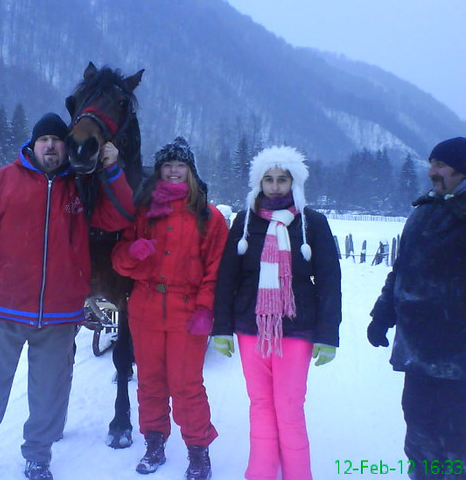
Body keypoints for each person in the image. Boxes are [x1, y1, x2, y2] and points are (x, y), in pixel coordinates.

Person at [0, 113, 134, 480]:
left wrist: (111, 169)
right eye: (43, 139)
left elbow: (120, 216)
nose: (50, 145)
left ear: (67, 147)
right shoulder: (3, 181)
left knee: (51, 393)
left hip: (60, 315)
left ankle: (38, 457)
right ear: (33, 145)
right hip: (6, 309)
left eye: (57, 140)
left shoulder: (82, 187)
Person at [212, 145, 342, 480]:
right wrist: (221, 327)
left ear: (294, 182)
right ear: (258, 182)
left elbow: (329, 280)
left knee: (288, 407)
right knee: (260, 405)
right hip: (249, 326)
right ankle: (261, 472)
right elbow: (227, 276)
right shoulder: (244, 222)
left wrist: (328, 336)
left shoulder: (312, 223)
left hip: (297, 328)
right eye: (268, 179)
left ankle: (298, 473)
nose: (274, 186)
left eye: (282, 179)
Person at [111, 137, 229, 480]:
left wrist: (206, 308)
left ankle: (198, 450)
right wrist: (133, 253)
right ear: (159, 171)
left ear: (190, 172)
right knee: (149, 382)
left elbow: (215, 270)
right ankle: (154, 443)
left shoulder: (209, 217)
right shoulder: (142, 211)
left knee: (186, 384)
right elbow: (119, 263)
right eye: (168, 165)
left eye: (180, 166)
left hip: (188, 310)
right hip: (145, 307)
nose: (174, 171)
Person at [367, 137, 466, 480]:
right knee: (419, 432)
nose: (431, 172)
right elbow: (401, 270)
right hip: (418, 352)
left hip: (458, 357)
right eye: (431, 163)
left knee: (456, 441)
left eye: (440, 164)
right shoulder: (422, 212)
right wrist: (382, 314)